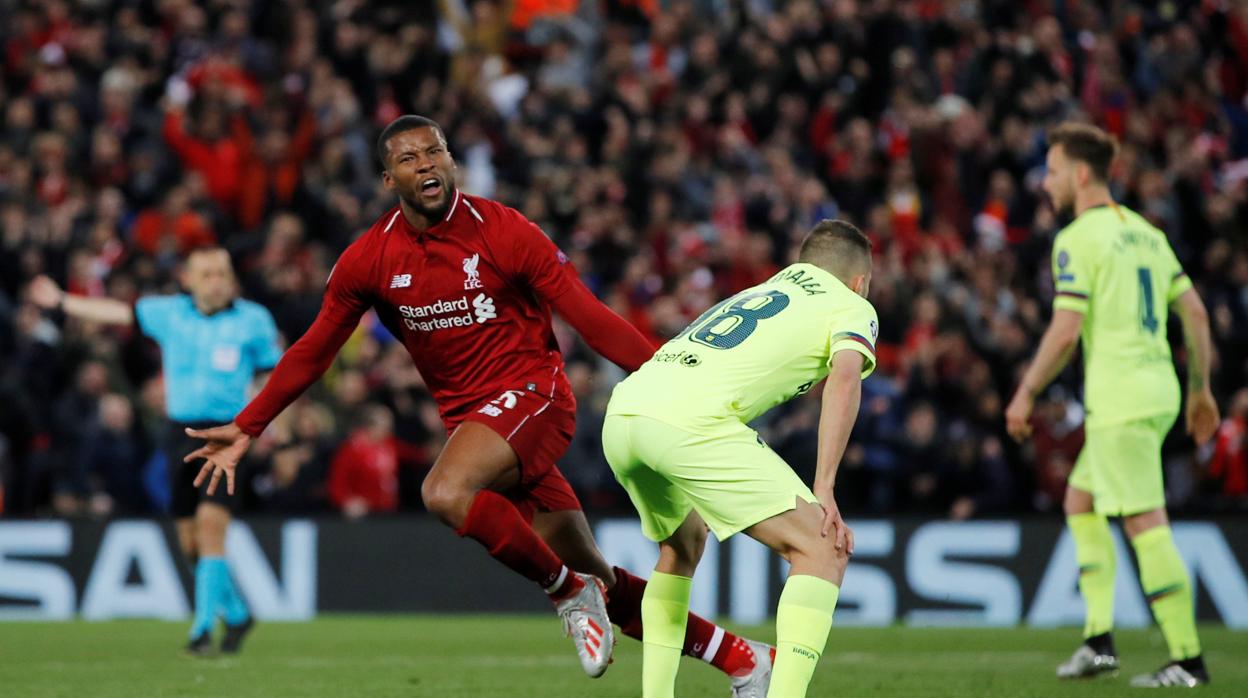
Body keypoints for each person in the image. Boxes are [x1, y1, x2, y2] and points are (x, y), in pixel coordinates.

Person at [184, 115, 775, 694]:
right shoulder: (370, 259)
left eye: (435, 151)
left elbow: (588, 316)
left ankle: (565, 593)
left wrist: (671, 377)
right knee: (599, 575)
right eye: (410, 158)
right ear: (389, 180)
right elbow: (314, 350)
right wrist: (248, 425)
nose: (428, 165)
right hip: (481, 430)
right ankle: (744, 659)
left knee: (444, 492)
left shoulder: (505, 230)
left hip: (537, 399)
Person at [602, 220, 878, 698]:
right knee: (823, 547)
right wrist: (826, 486)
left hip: (625, 409)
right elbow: (846, 379)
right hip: (688, 424)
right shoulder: (851, 304)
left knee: (681, 545)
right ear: (859, 281)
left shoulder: (766, 288)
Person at [1005, 122, 1219, 688]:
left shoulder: (1078, 237)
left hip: (1120, 396)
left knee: (1145, 520)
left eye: (1052, 172)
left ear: (1080, 174)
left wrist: (1026, 391)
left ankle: (1188, 659)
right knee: (1081, 500)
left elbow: (1066, 329)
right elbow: (1195, 313)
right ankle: (1099, 641)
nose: (1046, 184)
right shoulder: (1147, 233)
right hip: (1158, 389)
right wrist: (1200, 388)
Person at [28, 247, 280, 655]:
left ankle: (201, 630)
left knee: (211, 525)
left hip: (227, 433)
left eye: (222, 272)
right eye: (208, 273)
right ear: (189, 280)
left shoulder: (253, 320)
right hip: (178, 433)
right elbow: (116, 313)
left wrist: (265, 425)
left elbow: (276, 372)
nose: (217, 279)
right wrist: (61, 301)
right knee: (188, 540)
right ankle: (235, 614)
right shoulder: (170, 314)